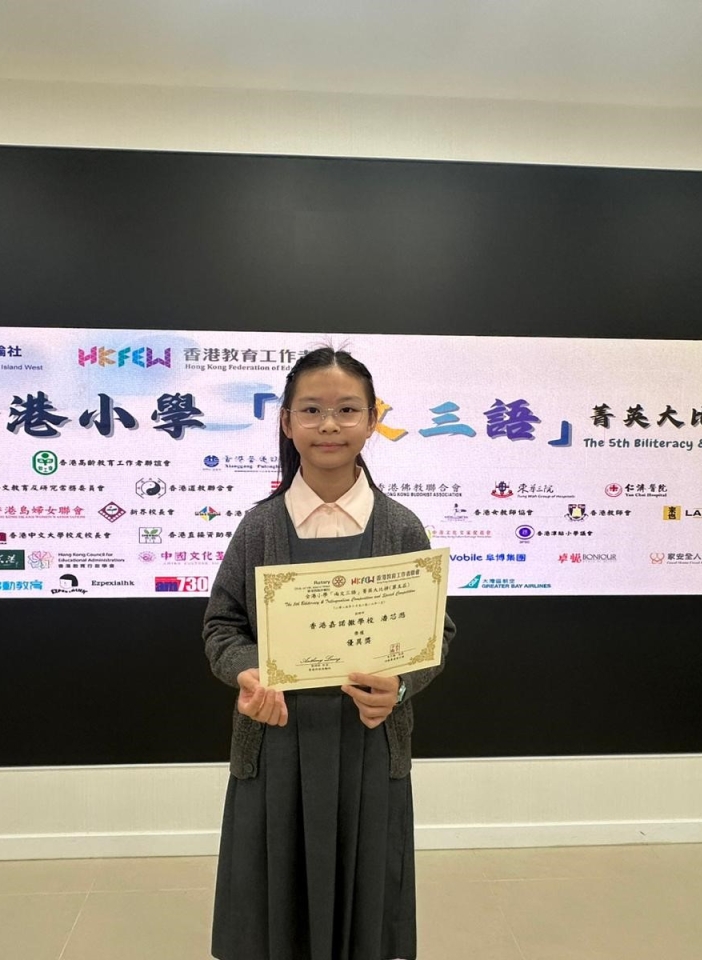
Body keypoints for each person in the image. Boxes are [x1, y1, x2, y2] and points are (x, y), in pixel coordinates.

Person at [204, 347, 455, 960]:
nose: (329, 425)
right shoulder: (258, 527)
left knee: (368, 908)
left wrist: (401, 685)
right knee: (273, 910)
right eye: (312, 410)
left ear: (372, 421)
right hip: (275, 741)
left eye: (347, 410)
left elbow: (436, 634)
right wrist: (248, 672)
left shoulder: (401, 527)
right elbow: (222, 626)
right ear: (287, 422)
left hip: (369, 742)